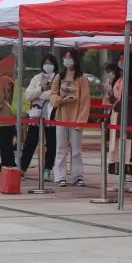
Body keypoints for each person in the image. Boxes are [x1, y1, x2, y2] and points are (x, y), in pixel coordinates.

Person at [51, 49, 90, 187]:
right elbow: (53, 95)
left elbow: (85, 101)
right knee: (60, 148)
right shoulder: (59, 77)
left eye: (70, 57)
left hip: (76, 119)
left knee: (76, 150)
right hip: (61, 118)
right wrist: (60, 100)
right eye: (65, 57)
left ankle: (77, 176)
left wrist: (80, 121)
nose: (67, 60)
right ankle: (60, 176)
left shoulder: (82, 78)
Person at [112, 53, 132, 191]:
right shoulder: (119, 77)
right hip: (118, 117)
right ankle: (121, 180)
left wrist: (122, 103)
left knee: (129, 150)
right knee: (119, 149)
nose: (121, 61)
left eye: (124, 59)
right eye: (119, 59)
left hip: (130, 117)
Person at [22, 54, 58, 180]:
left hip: (51, 115)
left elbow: (54, 94)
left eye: (50, 63)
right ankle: (22, 168)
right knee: (30, 143)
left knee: (51, 144)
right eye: (45, 63)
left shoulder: (57, 78)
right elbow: (28, 95)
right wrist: (40, 89)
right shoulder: (36, 78)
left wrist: (39, 95)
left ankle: (47, 169)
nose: (48, 65)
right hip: (36, 116)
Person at [0, 55, 17, 170]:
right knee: (9, 142)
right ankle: (8, 163)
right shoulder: (12, 80)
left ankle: (6, 164)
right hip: (12, 115)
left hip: (2, 116)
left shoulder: (0, 81)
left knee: (3, 143)